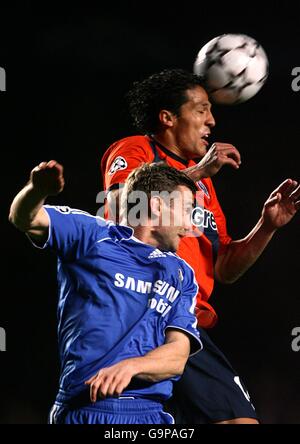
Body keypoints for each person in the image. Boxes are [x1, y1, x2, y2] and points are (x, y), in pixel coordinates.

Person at [100, 68, 300, 424]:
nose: (212, 120)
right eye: (202, 109)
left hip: (187, 322)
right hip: (145, 313)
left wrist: (265, 227)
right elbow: (120, 207)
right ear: (168, 117)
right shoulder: (136, 150)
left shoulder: (204, 186)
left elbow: (224, 268)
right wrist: (193, 176)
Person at [9, 160, 203, 424]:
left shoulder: (181, 272)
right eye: (186, 209)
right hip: (86, 409)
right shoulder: (92, 235)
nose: (190, 225)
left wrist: (133, 366)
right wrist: (36, 189)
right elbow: (24, 218)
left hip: (151, 414)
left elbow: (177, 356)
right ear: (158, 206)